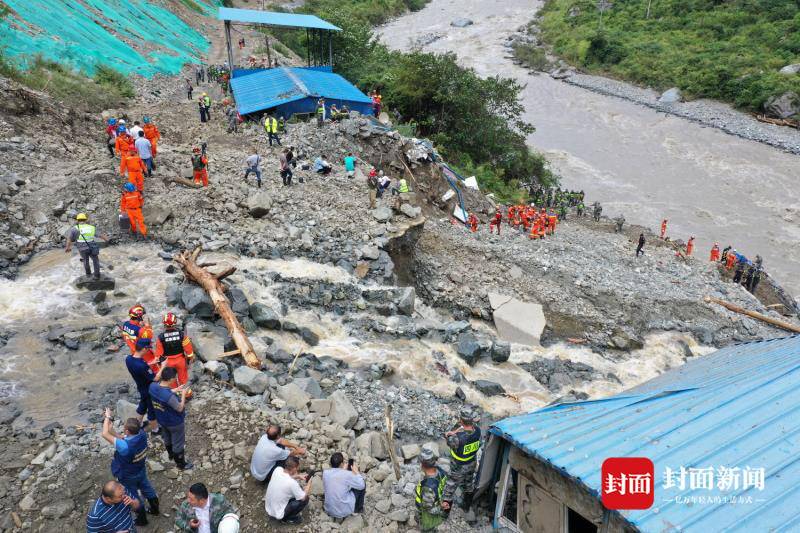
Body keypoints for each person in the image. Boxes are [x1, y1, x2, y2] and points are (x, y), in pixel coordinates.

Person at [100, 409, 158, 526]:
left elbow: (104, 434)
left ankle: (142, 519)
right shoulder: (141, 433)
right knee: (147, 487)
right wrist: (113, 431)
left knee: (133, 496)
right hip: (140, 468)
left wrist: (107, 417)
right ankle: (155, 509)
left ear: (127, 430)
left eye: (124, 428)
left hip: (128, 475)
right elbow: (122, 438)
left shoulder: (125, 447)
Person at [149, 367, 192, 470]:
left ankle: (171, 455)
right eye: (175, 377)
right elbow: (180, 408)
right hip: (175, 422)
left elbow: (162, 393)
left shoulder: (152, 386)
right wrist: (182, 395)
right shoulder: (169, 397)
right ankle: (181, 464)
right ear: (171, 379)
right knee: (178, 442)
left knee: (167, 437)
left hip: (162, 419)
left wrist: (174, 390)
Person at [442, 405, 481, 515]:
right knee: (469, 484)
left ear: (460, 420)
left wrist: (448, 435)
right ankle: (466, 507)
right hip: (472, 463)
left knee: (449, 489)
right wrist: (459, 431)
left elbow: (450, 441)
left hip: (458, 468)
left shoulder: (456, 438)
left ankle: (445, 514)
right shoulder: (477, 430)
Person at [154, 312, 195, 393]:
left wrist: (159, 365)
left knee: (170, 380)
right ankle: (186, 394)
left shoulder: (160, 338)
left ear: (164, 324)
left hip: (168, 362)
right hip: (181, 360)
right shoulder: (182, 335)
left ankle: (175, 393)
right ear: (175, 323)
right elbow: (188, 349)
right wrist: (190, 359)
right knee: (183, 378)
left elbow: (159, 354)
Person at [265, 455, 312, 524]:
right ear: (294, 469)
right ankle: (287, 518)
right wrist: (309, 484)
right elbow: (303, 498)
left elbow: (285, 477)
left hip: (269, 508)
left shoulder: (277, 469)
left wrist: (298, 476)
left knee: (296, 491)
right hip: (278, 514)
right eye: (297, 467)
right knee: (306, 499)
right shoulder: (292, 483)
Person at [126, 337, 159, 427]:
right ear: (144, 349)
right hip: (148, 389)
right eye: (148, 348)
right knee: (152, 410)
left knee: (142, 406)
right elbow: (155, 378)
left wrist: (151, 363)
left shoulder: (129, 359)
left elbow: (140, 368)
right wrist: (163, 367)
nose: (148, 350)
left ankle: (137, 425)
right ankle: (155, 430)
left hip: (140, 387)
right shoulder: (142, 366)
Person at [65, 213, 109, 279]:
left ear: (77, 220)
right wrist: (107, 240)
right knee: (95, 260)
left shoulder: (74, 229)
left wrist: (67, 248)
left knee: (85, 261)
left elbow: (69, 240)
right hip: (92, 246)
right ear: (85, 220)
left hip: (82, 248)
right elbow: (101, 235)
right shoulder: (91, 227)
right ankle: (97, 275)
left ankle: (88, 275)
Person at [322, 452, 366, 519]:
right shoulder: (347, 474)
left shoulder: (325, 473)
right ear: (341, 463)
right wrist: (356, 472)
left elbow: (337, 478)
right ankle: (357, 510)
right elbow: (361, 485)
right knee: (362, 484)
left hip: (329, 510)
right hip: (343, 511)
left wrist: (342, 470)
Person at [416, 447, 447, 532]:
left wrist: (440, 508)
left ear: (422, 465)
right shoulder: (441, 472)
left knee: (427, 528)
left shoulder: (428, 488)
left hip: (429, 514)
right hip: (437, 500)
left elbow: (428, 509)